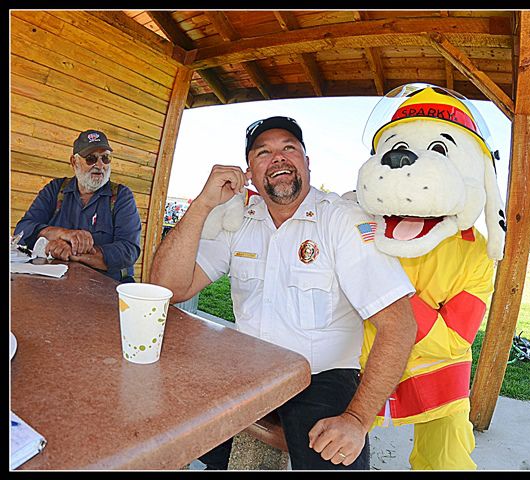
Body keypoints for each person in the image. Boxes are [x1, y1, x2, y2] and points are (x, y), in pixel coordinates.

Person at [149, 116, 417, 470]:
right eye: (263, 152)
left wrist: (357, 419)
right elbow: (168, 287)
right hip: (249, 369)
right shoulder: (240, 219)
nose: (277, 157)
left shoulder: (341, 221)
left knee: (333, 455)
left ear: (307, 163)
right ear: (250, 173)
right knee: (167, 419)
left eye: (289, 148)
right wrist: (203, 204)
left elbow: (399, 325)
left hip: (320, 376)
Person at [13, 129, 142, 283]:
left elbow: (128, 251)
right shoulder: (55, 189)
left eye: (105, 158)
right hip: (56, 286)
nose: (100, 165)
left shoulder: (121, 196)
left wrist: (71, 253)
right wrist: (62, 233)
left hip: (106, 287)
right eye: (91, 158)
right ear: (74, 162)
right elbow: (22, 231)